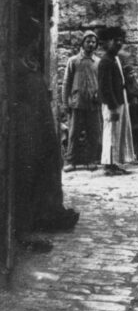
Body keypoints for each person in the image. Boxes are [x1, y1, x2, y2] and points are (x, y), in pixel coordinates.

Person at [15, 17, 79, 251]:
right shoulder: (15, 65)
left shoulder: (27, 62)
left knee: (40, 172)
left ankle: (40, 216)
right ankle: (22, 230)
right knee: (23, 176)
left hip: (38, 125)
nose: (37, 42)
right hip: (25, 128)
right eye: (36, 37)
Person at [62, 30, 101, 172]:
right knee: (73, 133)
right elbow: (66, 83)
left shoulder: (98, 62)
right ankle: (70, 161)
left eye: (93, 42)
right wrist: (65, 103)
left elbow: (102, 83)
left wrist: (99, 95)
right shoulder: (73, 61)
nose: (91, 44)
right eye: (88, 41)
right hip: (77, 102)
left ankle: (91, 160)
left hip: (93, 103)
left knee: (93, 132)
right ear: (83, 43)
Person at [97, 26, 135, 176]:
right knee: (110, 133)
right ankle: (108, 165)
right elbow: (105, 87)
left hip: (120, 100)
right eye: (115, 41)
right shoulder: (105, 62)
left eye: (121, 41)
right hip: (112, 103)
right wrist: (112, 107)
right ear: (108, 42)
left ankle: (115, 163)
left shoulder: (115, 59)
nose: (118, 43)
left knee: (117, 133)